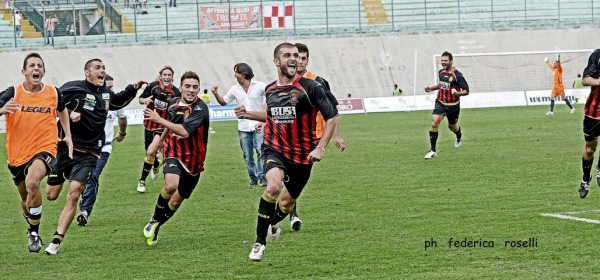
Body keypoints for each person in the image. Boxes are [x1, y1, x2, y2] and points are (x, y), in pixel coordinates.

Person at [235, 42, 339, 261]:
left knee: (285, 203)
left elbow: (332, 116)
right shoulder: (270, 89)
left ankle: (274, 222)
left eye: (296, 55)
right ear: (276, 61)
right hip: (275, 148)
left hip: (302, 155)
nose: (294, 59)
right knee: (272, 187)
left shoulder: (310, 87)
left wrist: (320, 147)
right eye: (288, 55)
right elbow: (270, 115)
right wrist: (248, 115)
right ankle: (259, 243)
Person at [44, 59, 146, 255]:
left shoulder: (106, 94)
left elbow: (118, 101)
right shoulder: (74, 88)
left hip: (91, 152)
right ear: (87, 72)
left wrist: (133, 88)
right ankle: (66, 176)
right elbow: (54, 102)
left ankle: (56, 241)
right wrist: (71, 113)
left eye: (104, 68)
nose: (102, 71)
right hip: (66, 148)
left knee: (74, 193)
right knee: (51, 195)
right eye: (97, 68)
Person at [0, 53, 73, 253]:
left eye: (39, 65)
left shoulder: (53, 93)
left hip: (46, 148)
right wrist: (2, 109)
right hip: (17, 154)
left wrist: (67, 135)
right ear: (24, 72)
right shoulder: (12, 93)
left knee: (33, 182)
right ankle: (32, 227)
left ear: (43, 71)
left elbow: (62, 110)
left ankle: (34, 230)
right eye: (31, 65)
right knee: (26, 200)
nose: (36, 68)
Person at [278, 42, 345, 232]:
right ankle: (291, 215)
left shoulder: (317, 82)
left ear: (307, 60)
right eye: (295, 57)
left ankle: (284, 211)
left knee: (295, 178)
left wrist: (336, 136)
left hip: (311, 138)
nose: (298, 61)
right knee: (286, 175)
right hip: (286, 137)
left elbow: (332, 111)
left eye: (302, 58)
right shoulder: (284, 81)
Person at [143, 71, 209, 246]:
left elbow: (184, 131)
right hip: (173, 151)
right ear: (181, 88)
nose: (191, 90)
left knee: (176, 201)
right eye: (187, 86)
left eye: (195, 87)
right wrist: (162, 139)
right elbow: (171, 123)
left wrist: (159, 120)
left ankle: (157, 224)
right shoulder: (173, 103)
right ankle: (153, 221)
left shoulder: (200, 109)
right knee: (171, 185)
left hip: (194, 161)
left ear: (199, 89)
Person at [76, 74, 128, 226]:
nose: (112, 90)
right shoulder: (90, 100)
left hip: (104, 148)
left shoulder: (115, 102)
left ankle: (85, 211)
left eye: (113, 87)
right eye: (109, 87)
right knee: (81, 179)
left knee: (93, 176)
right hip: (86, 147)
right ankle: (83, 194)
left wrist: (122, 133)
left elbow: (122, 118)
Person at [211, 63, 266, 188]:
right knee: (247, 155)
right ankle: (253, 179)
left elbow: (270, 99)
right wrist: (215, 93)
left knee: (260, 152)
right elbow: (223, 102)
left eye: (237, 72)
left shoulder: (260, 86)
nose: (234, 75)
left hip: (258, 125)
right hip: (243, 127)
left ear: (244, 74)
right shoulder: (234, 89)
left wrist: (262, 119)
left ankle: (263, 178)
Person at [137, 66, 180, 193]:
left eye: (169, 75)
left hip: (162, 126)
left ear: (172, 77)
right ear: (160, 76)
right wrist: (144, 100)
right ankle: (156, 164)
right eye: (165, 75)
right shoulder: (153, 86)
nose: (167, 77)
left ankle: (142, 181)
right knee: (149, 154)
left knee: (150, 152)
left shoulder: (176, 93)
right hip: (149, 124)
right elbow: (140, 99)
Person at [423, 51, 469, 160]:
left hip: (452, 106)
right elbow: (441, 85)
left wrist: (457, 93)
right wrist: (431, 88)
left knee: (452, 127)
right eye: (442, 60)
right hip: (440, 102)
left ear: (451, 61)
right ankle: (433, 150)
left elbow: (466, 91)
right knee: (434, 124)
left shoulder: (457, 75)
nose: (443, 62)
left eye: (445, 60)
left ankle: (458, 135)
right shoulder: (441, 72)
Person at [577, 49, 600, 199]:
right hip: (594, 113)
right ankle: (586, 179)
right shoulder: (597, 56)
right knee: (590, 149)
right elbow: (585, 80)